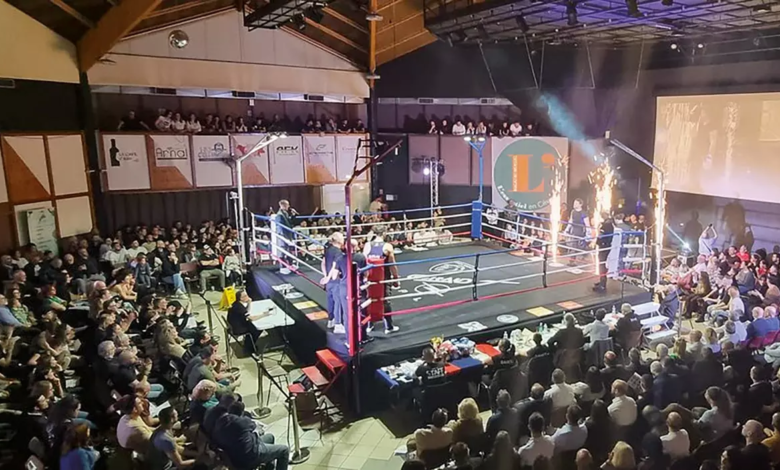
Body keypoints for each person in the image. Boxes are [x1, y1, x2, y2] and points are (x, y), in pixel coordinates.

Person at [212, 401, 289, 470]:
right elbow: (254, 426)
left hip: (234, 457)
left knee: (270, 437)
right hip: (250, 456)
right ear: (241, 413)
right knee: (284, 450)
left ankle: (268, 467)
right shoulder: (242, 422)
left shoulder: (220, 422)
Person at [363, 225, 400, 334]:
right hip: (383, 277)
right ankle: (388, 326)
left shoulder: (367, 246)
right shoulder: (387, 246)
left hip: (370, 278)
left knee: (371, 299)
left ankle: (370, 324)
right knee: (385, 301)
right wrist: (396, 278)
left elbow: (364, 262)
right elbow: (393, 265)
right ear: (384, 233)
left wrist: (365, 277)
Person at [320, 232, 345, 333]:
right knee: (337, 301)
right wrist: (329, 277)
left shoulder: (328, 249)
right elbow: (335, 267)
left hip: (329, 280)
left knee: (330, 300)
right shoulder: (338, 252)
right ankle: (338, 324)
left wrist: (326, 276)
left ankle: (331, 320)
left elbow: (323, 263)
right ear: (339, 240)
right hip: (335, 280)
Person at [594, 211, 615, 292]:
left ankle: (602, 284)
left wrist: (598, 229)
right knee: (602, 264)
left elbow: (601, 235)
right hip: (607, 245)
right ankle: (602, 281)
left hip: (603, 246)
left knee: (602, 265)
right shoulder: (610, 224)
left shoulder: (605, 225)